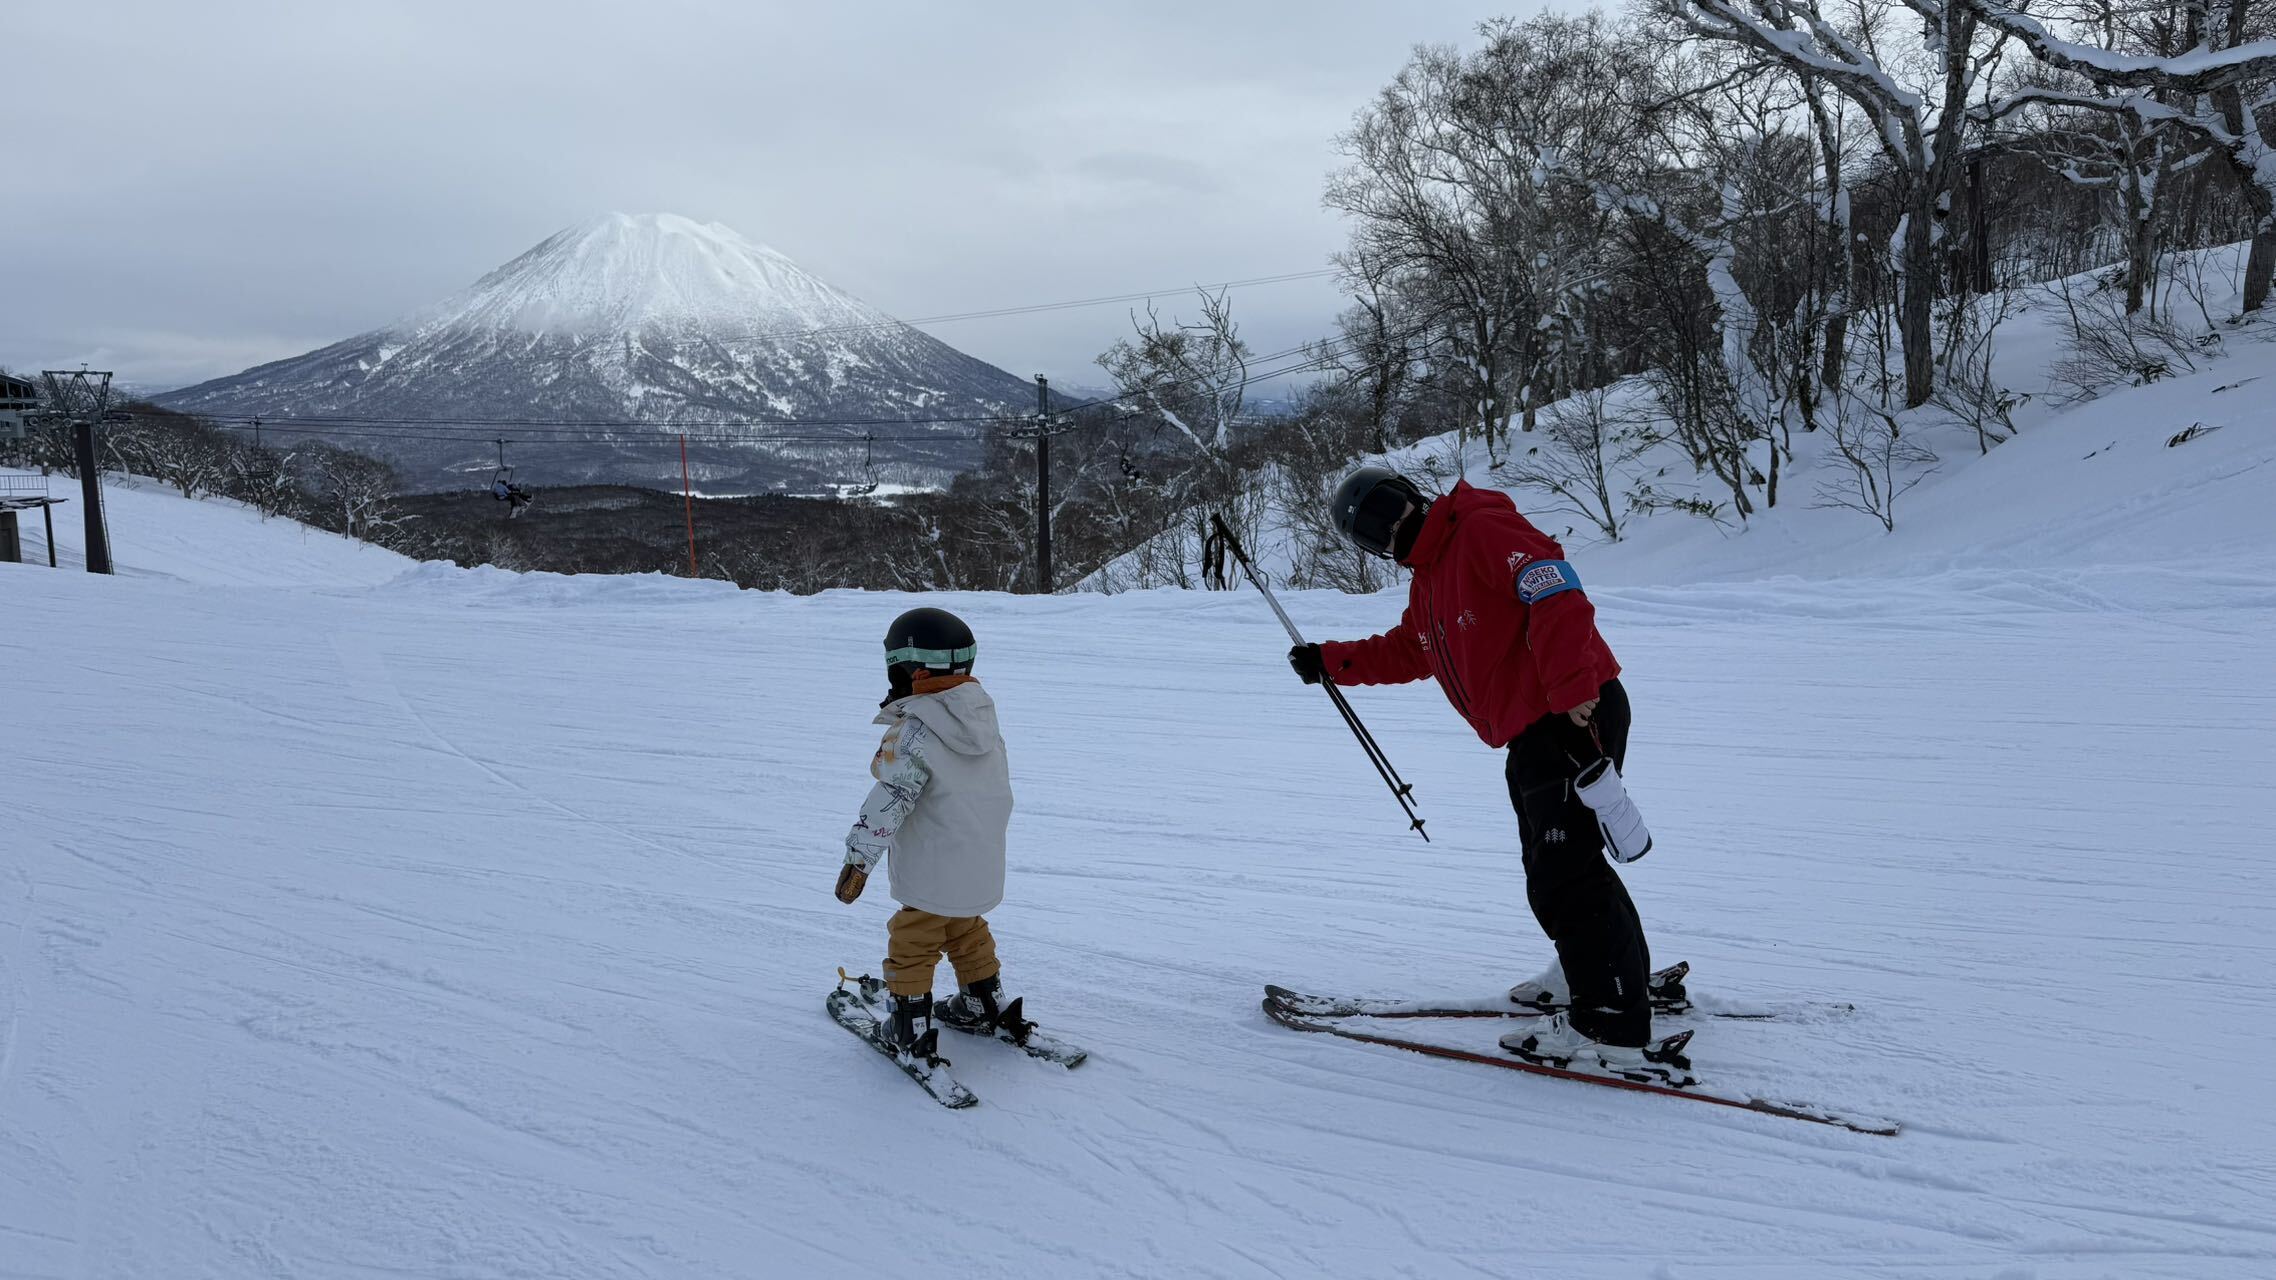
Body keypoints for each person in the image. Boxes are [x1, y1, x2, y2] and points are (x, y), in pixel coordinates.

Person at [1291, 465, 1662, 1074]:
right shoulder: (1429, 579)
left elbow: (1554, 589)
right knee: (1557, 865)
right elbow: (1411, 650)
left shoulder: (1480, 530)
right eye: (1375, 532)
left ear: (1408, 495)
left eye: (1390, 510)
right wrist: (1332, 662)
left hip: (1570, 712)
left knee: (1564, 873)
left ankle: (1611, 1019)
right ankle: (1598, 972)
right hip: (1533, 731)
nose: (1392, 530)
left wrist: (1572, 686)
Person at [835, 607, 1028, 1061]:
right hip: (981, 861)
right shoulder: (982, 721)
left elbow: (890, 799)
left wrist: (858, 859)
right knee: (965, 928)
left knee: (913, 938)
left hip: (933, 864)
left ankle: (909, 1026)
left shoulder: (915, 731)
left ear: (915, 672)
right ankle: (983, 1001)